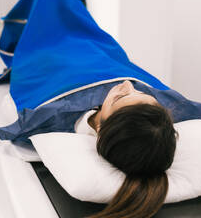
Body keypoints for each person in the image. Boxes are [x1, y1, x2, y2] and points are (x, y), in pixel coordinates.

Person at [74, 80, 177, 218]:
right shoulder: (155, 123)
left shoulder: (51, 120)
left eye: (119, 97)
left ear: (101, 130)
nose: (128, 83)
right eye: (140, 91)